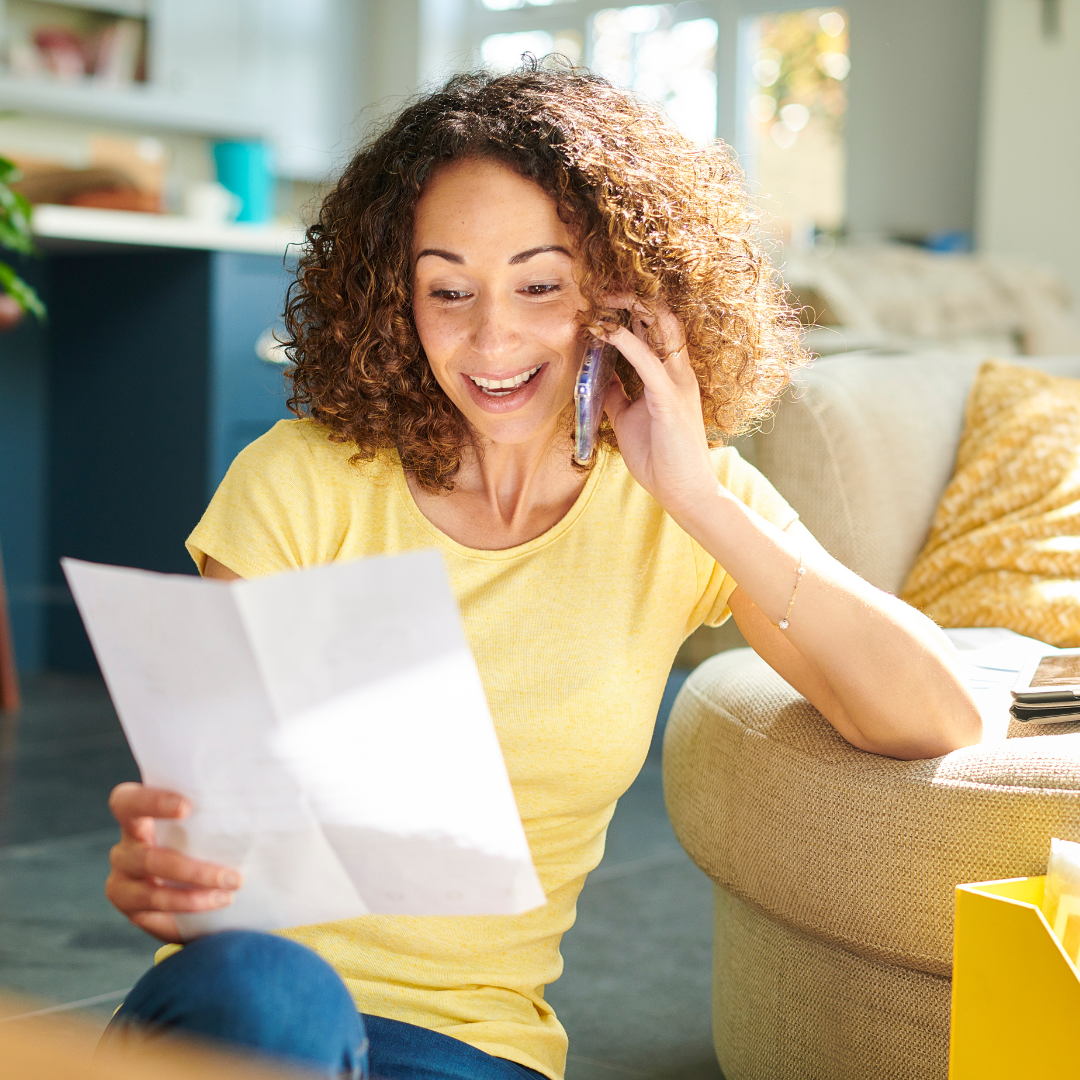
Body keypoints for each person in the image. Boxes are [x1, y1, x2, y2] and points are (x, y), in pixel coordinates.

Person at [101, 63, 982, 1080]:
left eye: (539, 285)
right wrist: (163, 870)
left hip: (466, 1043)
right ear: (396, 299)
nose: (493, 337)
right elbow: (208, 823)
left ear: (623, 298)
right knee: (276, 997)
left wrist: (693, 494)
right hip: (249, 1014)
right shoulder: (299, 484)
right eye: (448, 290)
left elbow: (940, 717)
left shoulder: (681, 505)